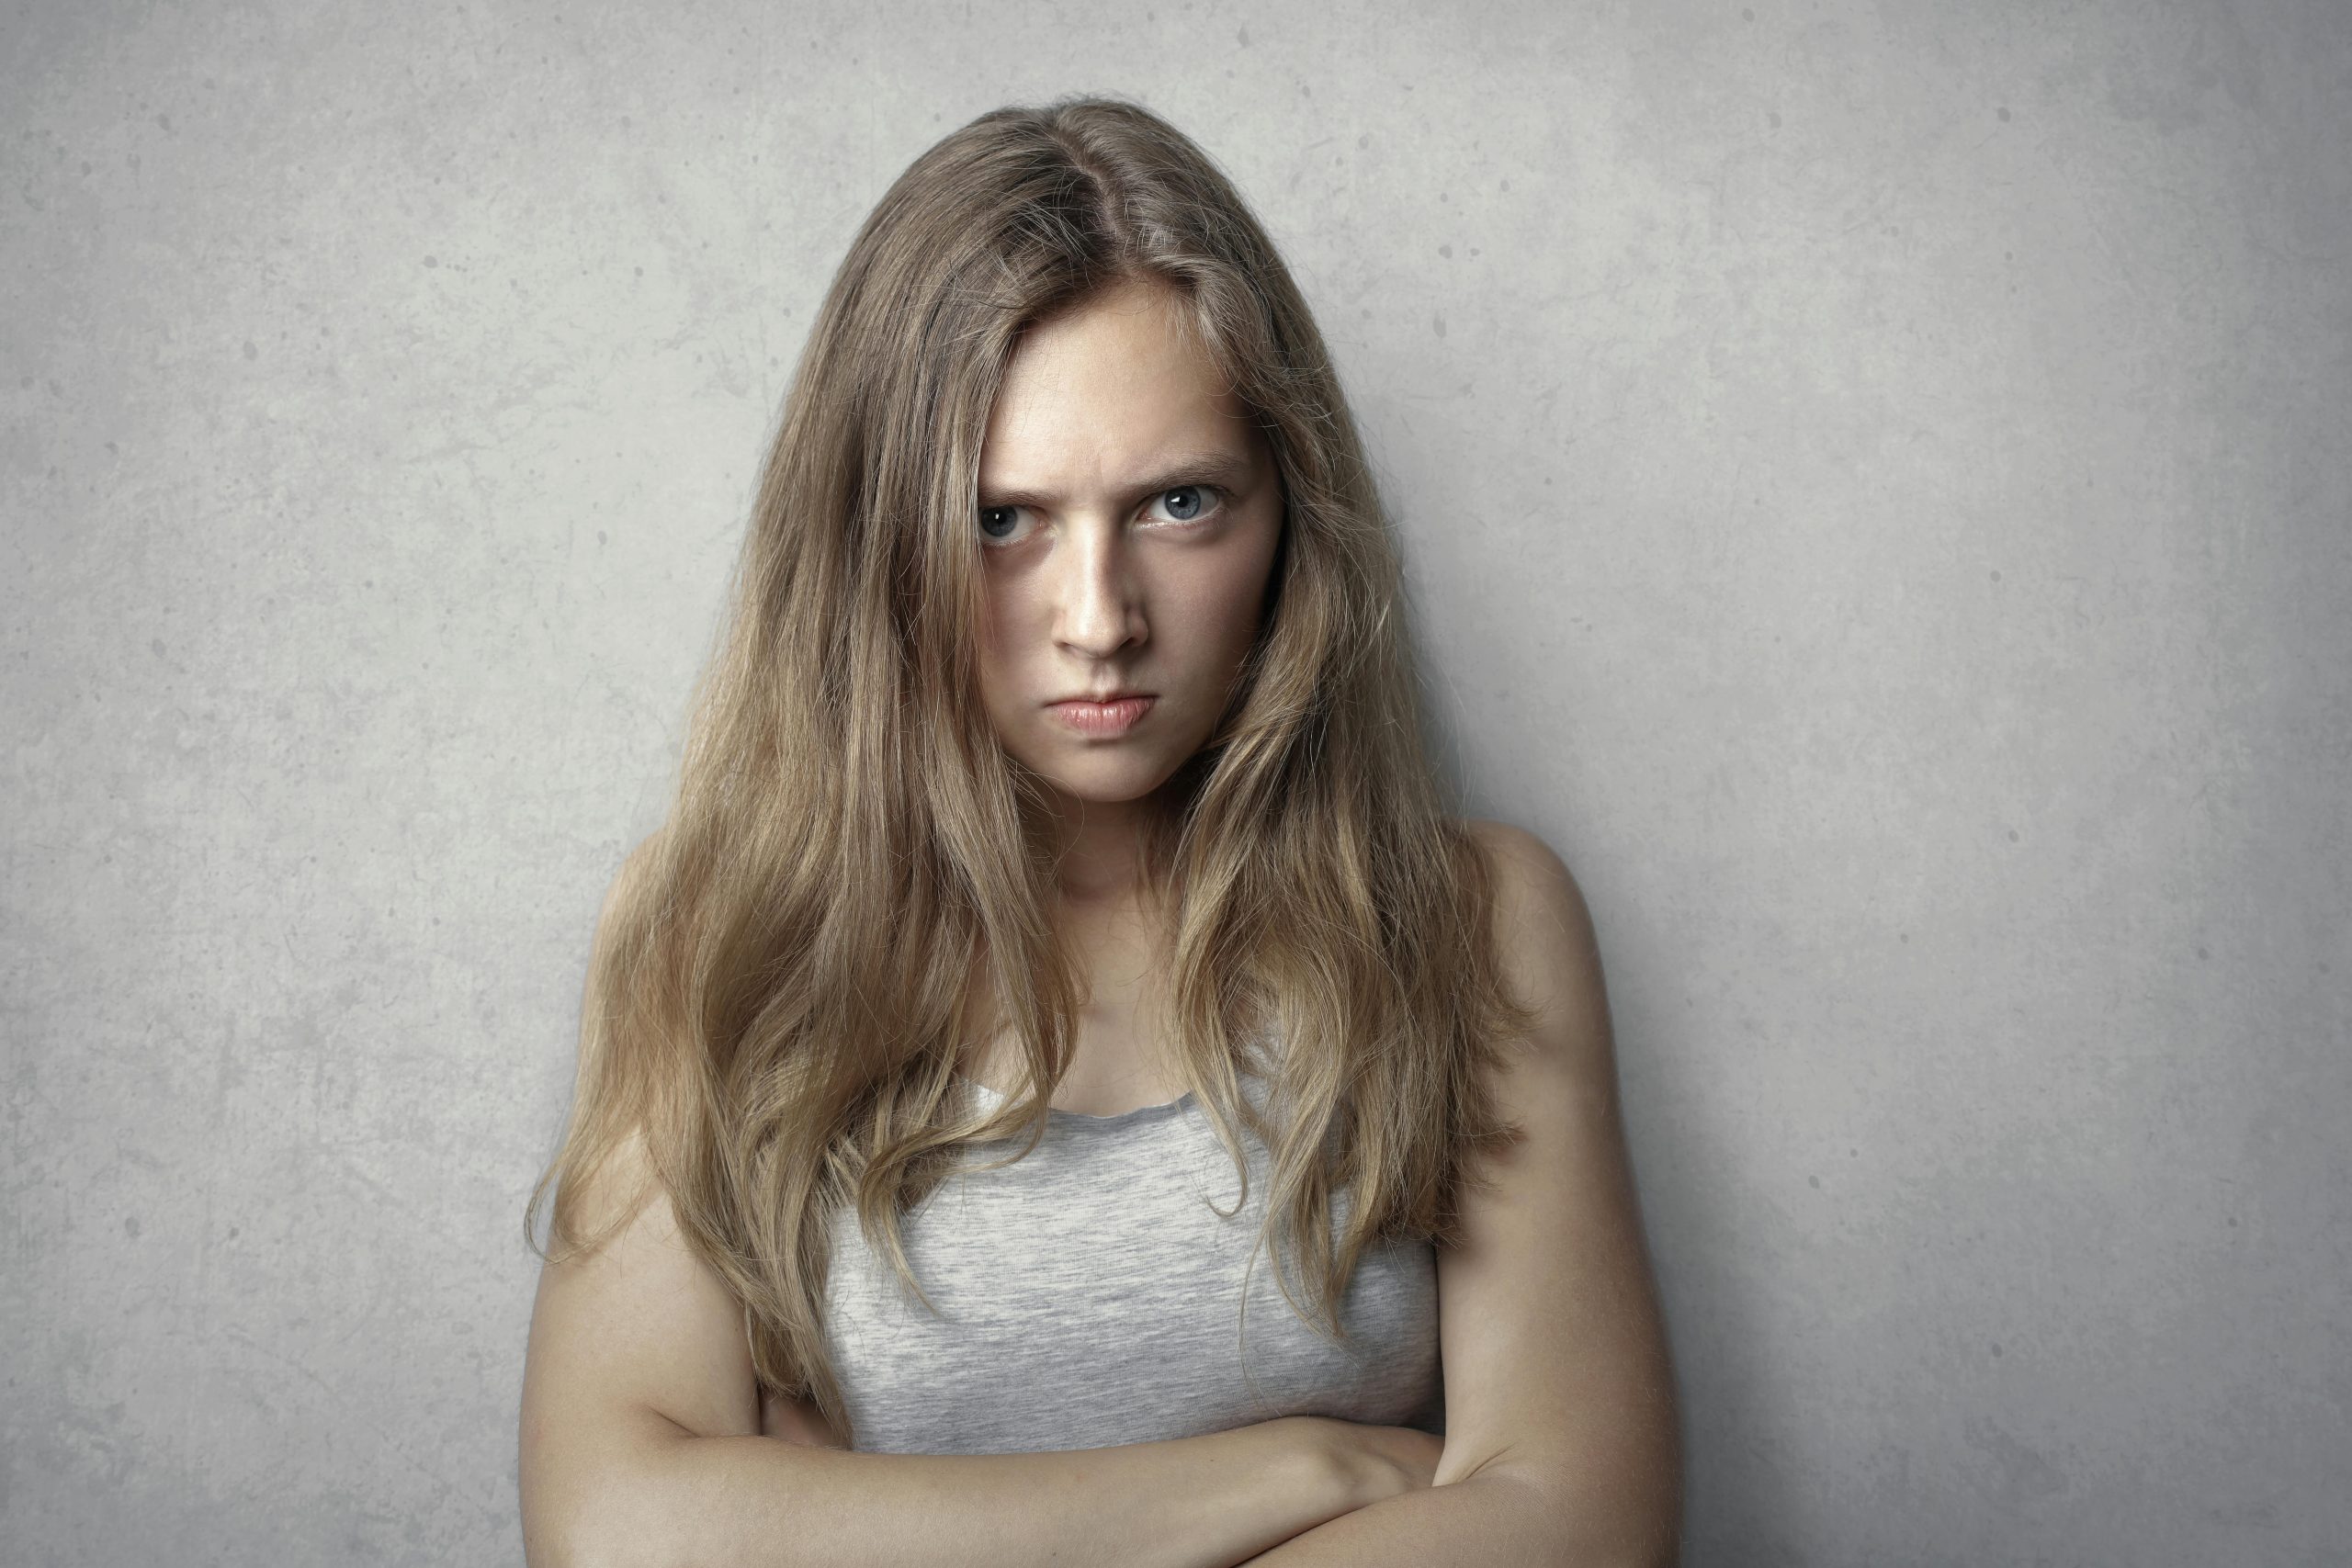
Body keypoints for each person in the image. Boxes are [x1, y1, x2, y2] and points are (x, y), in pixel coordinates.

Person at [516, 94, 1679, 1567]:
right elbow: (620, 1535)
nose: (1099, 620)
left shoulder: (1469, 923)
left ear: (1290, 513)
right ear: (876, 542)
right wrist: (1301, 1469)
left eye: (1180, 504)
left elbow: (1585, 1531)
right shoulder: (715, 934)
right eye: (1002, 521)